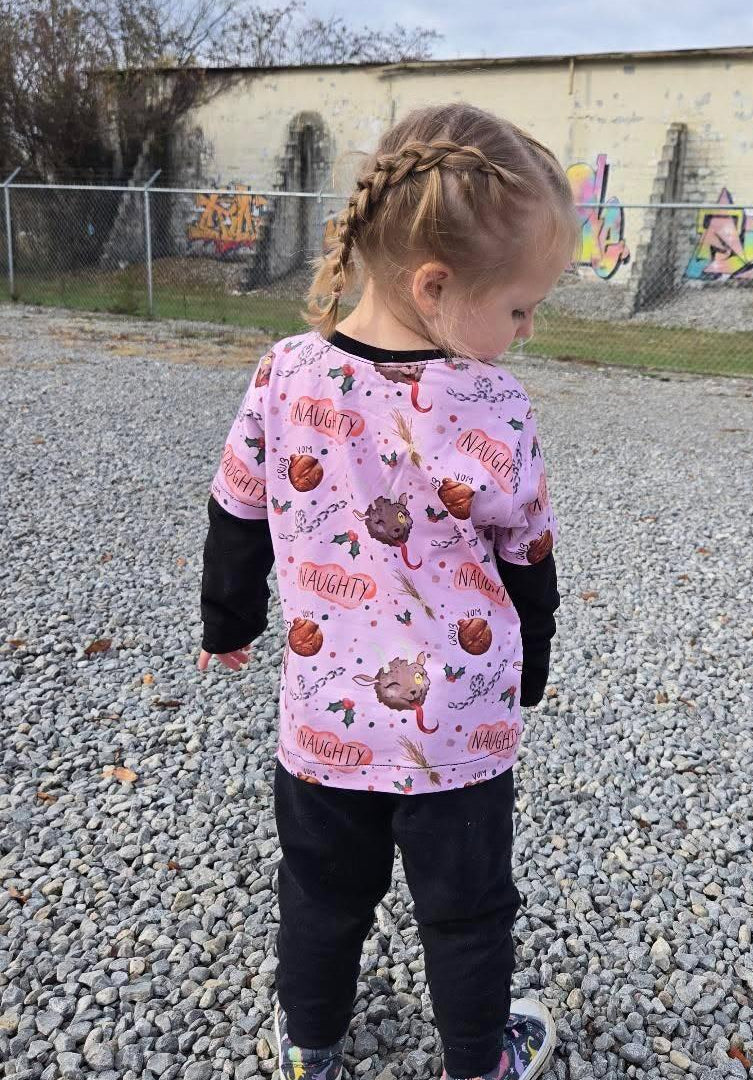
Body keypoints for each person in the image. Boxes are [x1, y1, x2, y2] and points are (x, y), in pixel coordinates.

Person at [196, 102, 580, 1080]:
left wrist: (229, 621)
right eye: (522, 307)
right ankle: (476, 1063)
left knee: (321, 896)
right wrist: (529, 670)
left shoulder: (284, 374)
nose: (528, 330)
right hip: (457, 730)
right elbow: (529, 557)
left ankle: (310, 1049)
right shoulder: (493, 403)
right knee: (467, 912)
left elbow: (236, 509)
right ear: (437, 285)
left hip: (324, 722)